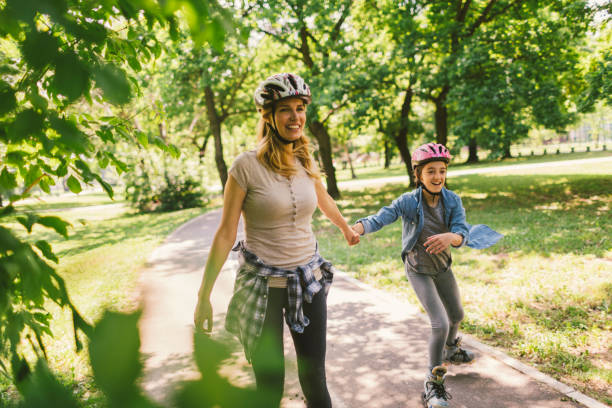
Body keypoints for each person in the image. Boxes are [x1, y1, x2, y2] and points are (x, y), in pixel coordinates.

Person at [194, 73, 359, 408]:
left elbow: (322, 196)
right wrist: (204, 296)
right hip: (263, 287)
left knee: (315, 379)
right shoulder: (245, 166)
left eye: (300, 108)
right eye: (286, 109)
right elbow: (226, 232)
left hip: (307, 282)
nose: (296, 117)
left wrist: (345, 227)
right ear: (267, 115)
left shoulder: (303, 159)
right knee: (269, 386)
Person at [351, 143, 502, 408]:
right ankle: (433, 385)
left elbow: (462, 230)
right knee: (440, 323)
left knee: (457, 316)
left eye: (442, 171)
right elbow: (382, 217)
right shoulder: (409, 201)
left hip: (442, 267)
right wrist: (359, 227)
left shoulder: (452, 200)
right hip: (418, 270)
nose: (437, 177)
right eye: (430, 171)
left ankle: (451, 350)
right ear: (418, 175)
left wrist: (451, 237)